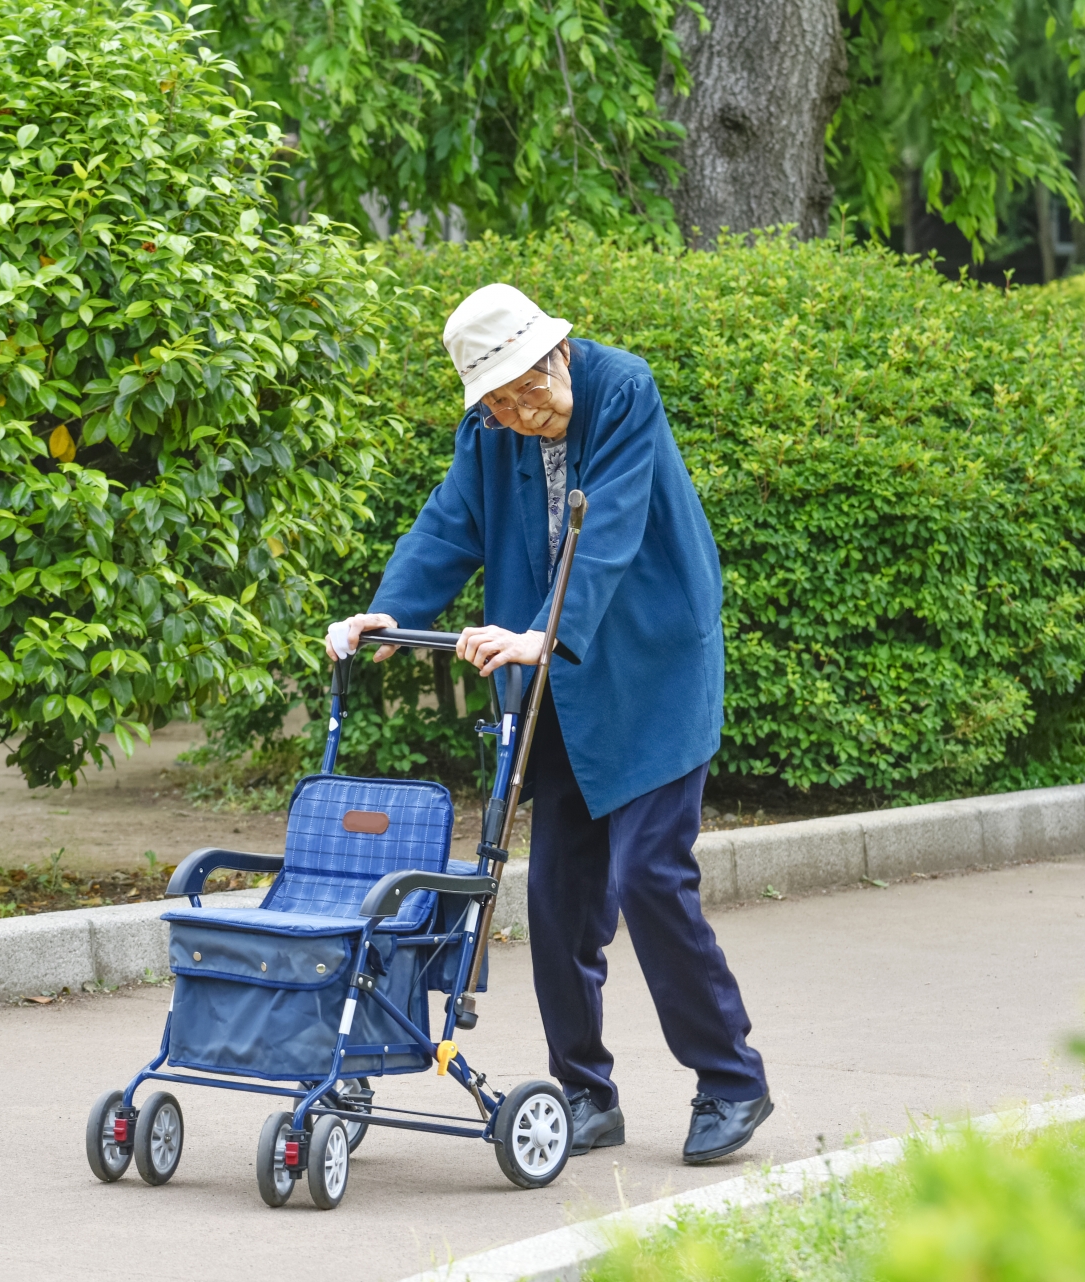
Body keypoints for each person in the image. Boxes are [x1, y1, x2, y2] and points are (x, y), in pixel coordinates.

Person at [326, 283, 773, 1165]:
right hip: (553, 682)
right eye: (496, 402)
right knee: (557, 896)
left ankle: (732, 1080)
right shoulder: (491, 428)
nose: (518, 415)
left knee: (649, 875)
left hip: (648, 666)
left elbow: (607, 529)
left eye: (527, 392)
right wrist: (387, 610)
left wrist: (545, 632)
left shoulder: (622, 389)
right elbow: (450, 521)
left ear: (558, 352)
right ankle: (583, 1090)